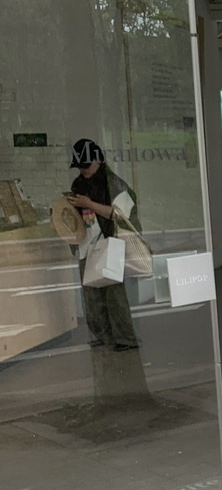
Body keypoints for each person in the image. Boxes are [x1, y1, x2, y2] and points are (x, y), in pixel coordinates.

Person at [67, 138, 139, 351]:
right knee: (91, 296)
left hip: (111, 242)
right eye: (80, 166)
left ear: (98, 160)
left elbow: (120, 215)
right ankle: (102, 336)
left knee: (114, 295)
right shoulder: (78, 184)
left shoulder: (113, 184)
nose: (84, 170)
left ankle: (125, 338)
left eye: (87, 164)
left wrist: (89, 204)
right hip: (86, 243)